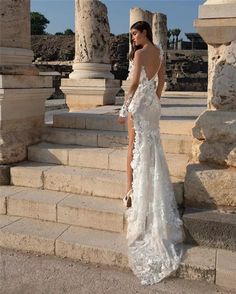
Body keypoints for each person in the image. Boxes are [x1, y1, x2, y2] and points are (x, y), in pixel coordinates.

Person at [117, 21, 185, 285]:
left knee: (133, 147)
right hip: (152, 105)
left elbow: (134, 81)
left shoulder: (141, 53)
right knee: (151, 148)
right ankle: (144, 191)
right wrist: (153, 99)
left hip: (139, 105)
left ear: (144, 32)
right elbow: (162, 82)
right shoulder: (159, 53)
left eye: (134, 33)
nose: (132, 38)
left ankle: (131, 192)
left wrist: (124, 107)